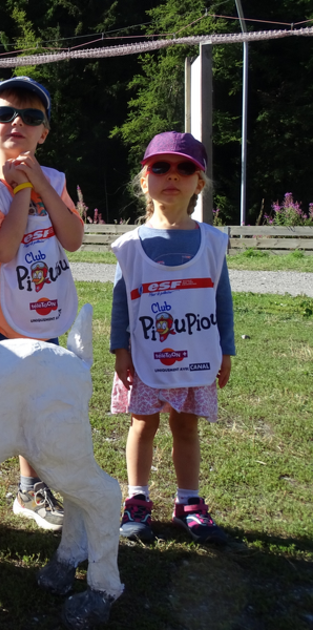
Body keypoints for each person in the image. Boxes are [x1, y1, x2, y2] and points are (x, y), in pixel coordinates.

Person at [0, 77, 84, 532]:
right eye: (5, 114)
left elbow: (73, 239)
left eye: (31, 117)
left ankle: (30, 488)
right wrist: (19, 190)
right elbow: (3, 249)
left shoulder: (54, 180)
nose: (17, 122)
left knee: (37, 406)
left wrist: (40, 186)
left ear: (44, 133)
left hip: (40, 314)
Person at [111, 131, 234, 545]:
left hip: (197, 356)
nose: (172, 175)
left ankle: (188, 504)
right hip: (146, 357)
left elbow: (222, 299)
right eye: (160, 167)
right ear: (144, 180)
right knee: (142, 425)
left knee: (186, 427)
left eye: (186, 168)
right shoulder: (130, 246)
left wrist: (227, 349)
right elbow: (119, 304)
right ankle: (138, 500)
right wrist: (120, 349)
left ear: (199, 183)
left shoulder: (213, 242)